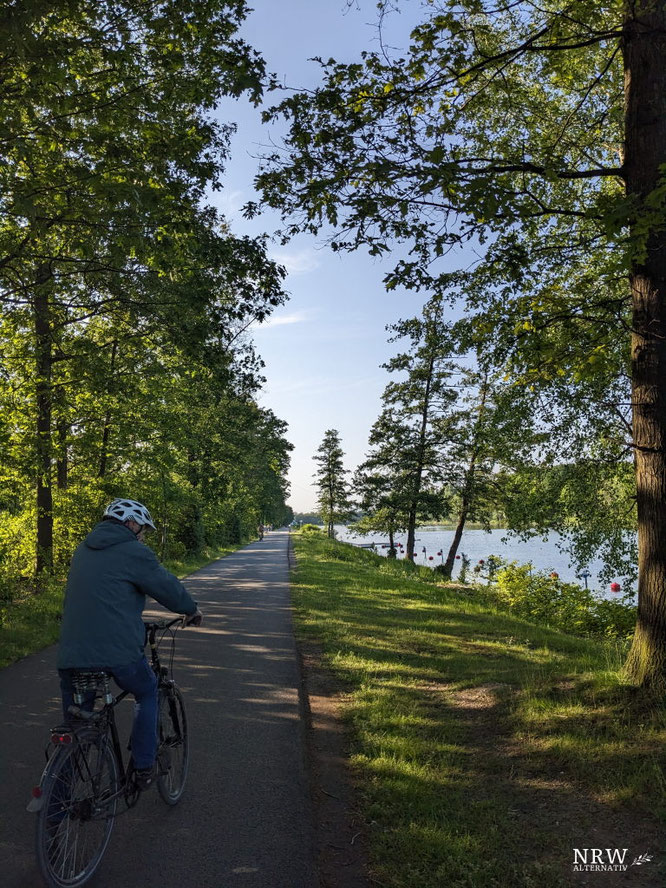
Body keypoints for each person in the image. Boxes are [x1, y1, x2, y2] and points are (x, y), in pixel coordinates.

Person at [57, 498, 203, 790]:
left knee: (76, 728)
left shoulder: (82, 550)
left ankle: (55, 811)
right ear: (131, 523)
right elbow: (166, 586)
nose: (143, 535)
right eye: (143, 529)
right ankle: (143, 766)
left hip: (71, 655)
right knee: (147, 691)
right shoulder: (134, 551)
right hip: (118, 653)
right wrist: (190, 609)